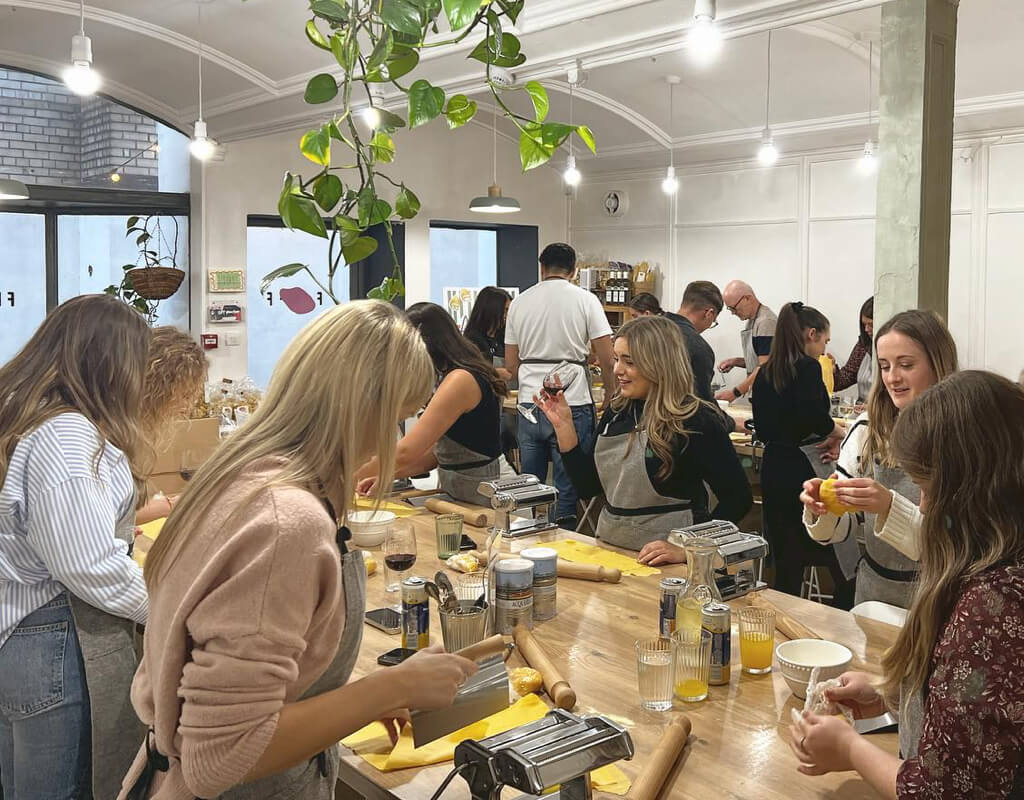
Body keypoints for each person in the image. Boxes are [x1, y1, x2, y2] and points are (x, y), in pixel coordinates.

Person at [119, 301, 477, 799]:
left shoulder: (244, 472)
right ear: (364, 409)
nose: (393, 437)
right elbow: (220, 755)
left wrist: (357, 704)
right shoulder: (288, 523)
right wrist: (394, 687)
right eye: (398, 416)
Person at [789, 370, 1024, 798]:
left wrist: (850, 750)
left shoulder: (994, 604)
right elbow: (976, 703)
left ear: (971, 489)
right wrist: (891, 696)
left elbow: (945, 789)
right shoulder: (987, 569)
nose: (922, 504)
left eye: (926, 489)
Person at [0, 294, 150, 800]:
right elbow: (88, 564)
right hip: (53, 638)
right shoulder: (65, 433)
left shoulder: (33, 420)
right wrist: (170, 605)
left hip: (25, 637)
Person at [534, 315, 751, 555]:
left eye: (629, 362)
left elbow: (738, 499)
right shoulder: (617, 413)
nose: (617, 370)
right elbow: (587, 487)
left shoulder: (695, 419)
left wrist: (689, 548)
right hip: (610, 550)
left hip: (668, 566)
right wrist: (564, 427)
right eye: (616, 359)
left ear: (659, 363)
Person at [800, 310, 959, 608]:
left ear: (939, 365)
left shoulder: (962, 438)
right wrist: (824, 511)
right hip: (874, 596)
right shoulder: (867, 430)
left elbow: (949, 545)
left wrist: (888, 506)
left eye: (906, 365)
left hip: (937, 600)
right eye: (884, 366)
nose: (892, 378)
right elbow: (843, 528)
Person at [355, 302, 515, 505]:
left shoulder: (460, 379)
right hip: (467, 494)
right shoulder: (453, 375)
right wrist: (387, 477)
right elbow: (436, 456)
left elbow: (405, 452)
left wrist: (346, 477)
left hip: (493, 496)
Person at [505, 243, 616, 529]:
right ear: (574, 270)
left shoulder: (519, 302)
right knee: (568, 483)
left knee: (530, 483)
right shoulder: (585, 299)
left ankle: (528, 540)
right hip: (572, 401)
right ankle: (565, 542)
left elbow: (511, 362)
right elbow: (606, 353)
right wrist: (613, 393)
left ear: (541, 269)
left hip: (530, 402)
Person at [751, 302, 851, 605]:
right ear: (811, 334)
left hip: (775, 466)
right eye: (824, 341)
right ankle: (840, 609)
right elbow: (815, 419)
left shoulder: (766, 371)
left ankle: (786, 615)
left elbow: (764, 426)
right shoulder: (808, 367)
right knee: (832, 545)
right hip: (802, 467)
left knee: (786, 556)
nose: (823, 349)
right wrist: (838, 432)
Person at [135, 326, 209, 525]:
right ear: (159, 387)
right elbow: (106, 515)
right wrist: (171, 505)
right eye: (184, 396)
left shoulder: (134, 429)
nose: (187, 408)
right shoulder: (114, 434)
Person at [716, 280, 777, 403]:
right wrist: (735, 362)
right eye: (730, 309)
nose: (733, 313)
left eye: (734, 308)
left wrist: (735, 392)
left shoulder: (766, 322)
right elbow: (761, 359)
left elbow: (765, 367)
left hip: (771, 395)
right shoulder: (752, 321)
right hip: (760, 392)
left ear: (747, 298)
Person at [664, 281, 724, 404]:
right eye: (713, 322)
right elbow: (701, 403)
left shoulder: (647, 330)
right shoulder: (698, 348)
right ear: (709, 314)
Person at [464, 286, 513, 381]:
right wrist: (495, 373)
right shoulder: (472, 341)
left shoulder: (505, 338)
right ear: (493, 310)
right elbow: (471, 373)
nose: (509, 315)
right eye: (506, 310)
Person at [832, 297, 874, 403]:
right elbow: (846, 378)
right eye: (864, 324)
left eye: (871, 325)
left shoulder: (892, 348)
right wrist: (833, 373)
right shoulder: (863, 346)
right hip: (862, 411)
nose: (866, 330)